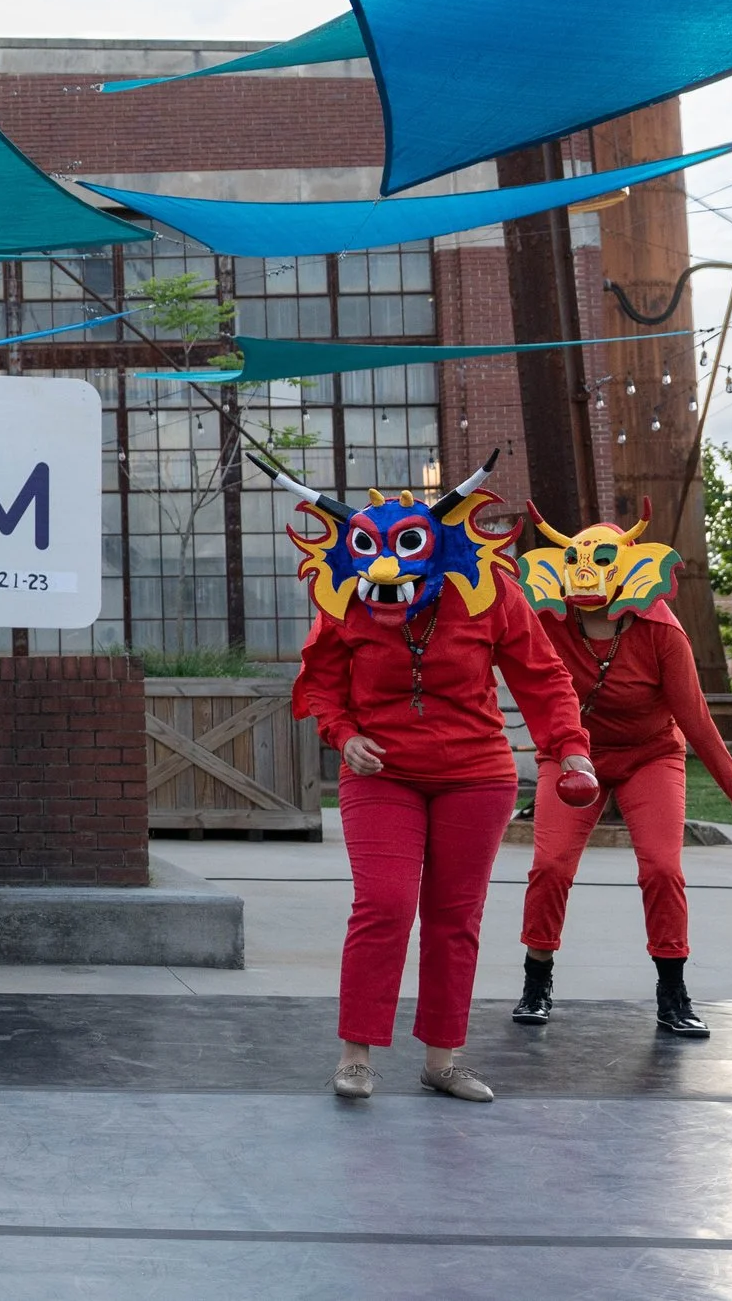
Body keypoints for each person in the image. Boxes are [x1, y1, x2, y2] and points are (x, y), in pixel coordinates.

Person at [263, 451, 594, 1103]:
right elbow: (322, 683)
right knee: (384, 903)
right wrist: (344, 734)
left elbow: (544, 676)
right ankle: (356, 1053)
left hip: (476, 775)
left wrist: (571, 748)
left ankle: (443, 1057)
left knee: (455, 915)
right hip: (381, 772)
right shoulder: (347, 597)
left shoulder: (489, 592)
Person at [510, 505, 732, 1036]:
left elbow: (695, 719)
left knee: (661, 868)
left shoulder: (661, 632)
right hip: (573, 756)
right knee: (551, 866)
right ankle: (537, 980)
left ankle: (672, 992)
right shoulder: (548, 622)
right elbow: (519, 676)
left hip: (650, 755)